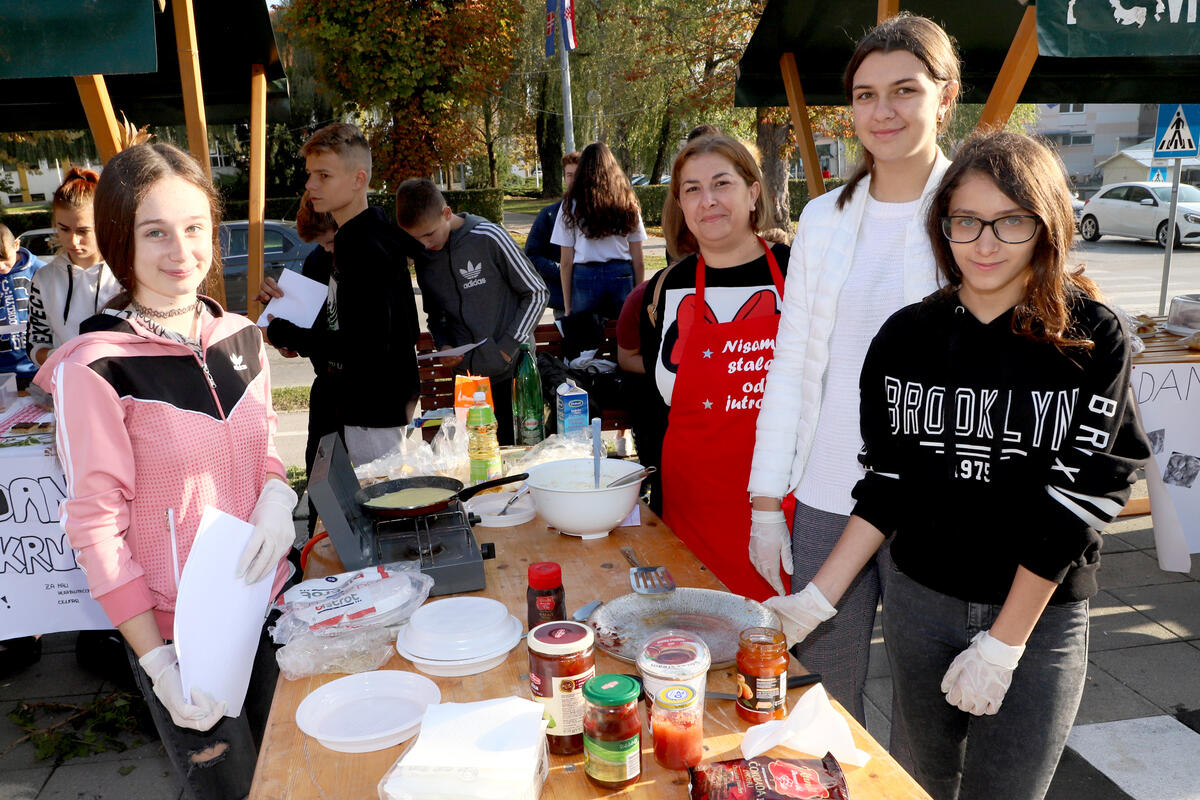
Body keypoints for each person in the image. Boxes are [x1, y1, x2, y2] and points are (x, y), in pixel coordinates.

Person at [768, 130, 1150, 800]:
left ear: (1047, 225)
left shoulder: (1092, 338)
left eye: (1011, 221)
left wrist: (1004, 645)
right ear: (942, 227)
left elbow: (1083, 501)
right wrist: (816, 600)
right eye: (966, 220)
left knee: (1007, 791)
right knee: (922, 784)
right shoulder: (906, 337)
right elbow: (888, 484)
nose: (985, 242)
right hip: (922, 604)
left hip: (1039, 617)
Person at [34, 142, 298, 799]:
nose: (181, 251)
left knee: (296, 778)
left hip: (269, 607)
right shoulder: (95, 366)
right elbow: (95, 528)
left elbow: (264, 444)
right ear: (120, 238)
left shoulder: (240, 336)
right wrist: (156, 661)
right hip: (181, 638)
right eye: (155, 232)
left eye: (194, 228)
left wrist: (276, 494)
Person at [747, 13, 961, 728]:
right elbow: (792, 364)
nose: (883, 111)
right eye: (866, 95)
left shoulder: (972, 216)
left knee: (923, 703)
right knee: (822, 697)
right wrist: (766, 501)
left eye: (904, 90)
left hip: (932, 501)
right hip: (827, 491)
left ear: (945, 97)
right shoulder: (824, 218)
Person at [639, 132, 788, 599]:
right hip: (692, 508)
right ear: (681, 205)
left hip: (784, 507)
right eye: (692, 189)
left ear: (753, 192)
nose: (708, 201)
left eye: (722, 184)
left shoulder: (801, 273)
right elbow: (654, 410)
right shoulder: (665, 289)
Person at [266, 123, 422, 466]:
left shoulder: (364, 243)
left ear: (358, 179)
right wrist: (286, 313)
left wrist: (283, 331)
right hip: (360, 404)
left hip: (373, 407)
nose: (310, 185)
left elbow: (366, 345)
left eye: (324, 175)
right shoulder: (361, 236)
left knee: (382, 495)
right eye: (310, 174)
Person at [395, 178, 548, 446]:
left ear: (446, 213)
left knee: (517, 457)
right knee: (477, 459)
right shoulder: (425, 256)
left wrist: (507, 347)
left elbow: (536, 292)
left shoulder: (488, 236)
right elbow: (435, 313)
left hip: (512, 374)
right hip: (467, 383)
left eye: (429, 234)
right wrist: (444, 344)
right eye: (416, 238)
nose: (425, 244)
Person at [259, 192, 336, 536]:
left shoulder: (363, 253)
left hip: (361, 389)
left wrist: (291, 335)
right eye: (319, 243)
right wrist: (280, 322)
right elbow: (309, 333)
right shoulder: (318, 261)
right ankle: (318, 544)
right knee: (318, 476)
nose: (326, 249)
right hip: (327, 385)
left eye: (330, 241)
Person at [27, 168, 121, 364]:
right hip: (66, 379)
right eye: (64, 229)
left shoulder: (125, 274)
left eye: (83, 231)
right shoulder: (43, 279)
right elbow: (35, 343)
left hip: (120, 379)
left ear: (104, 224)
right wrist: (61, 357)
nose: (73, 241)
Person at [552, 142, 646, 319]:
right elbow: (638, 259)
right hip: (621, 274)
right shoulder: (626, 200)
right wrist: (639, 299)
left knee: (586, 334)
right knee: (623, 331)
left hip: (585, 275)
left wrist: (568, 306)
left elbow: (566, 262)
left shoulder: (571, 203)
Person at [524, 151, 581, 318]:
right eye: (569, 175)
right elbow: (531, 256)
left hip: (598, 299)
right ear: (564, 178)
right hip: (562, 300)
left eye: (578, 174)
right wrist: (563, 270)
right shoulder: (549, 215)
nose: (574, 180)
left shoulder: (603, 213)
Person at [0, 224, 45, 386]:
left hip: (38, 366)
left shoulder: (41, 270)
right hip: (3, 370)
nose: (0, 266)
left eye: (5, 259)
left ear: (16, 245)